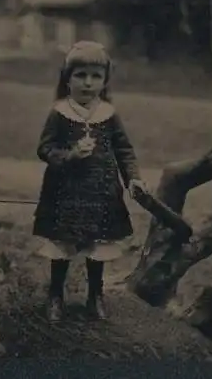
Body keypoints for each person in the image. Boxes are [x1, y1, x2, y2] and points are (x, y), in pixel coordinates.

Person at [33, 41, 147, 322]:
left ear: (105, 81)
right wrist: (71, 155)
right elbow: (45, 149)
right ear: (67, 79)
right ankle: (55, 296)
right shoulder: (59, 112)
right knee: (62, 245)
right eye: (80, 75)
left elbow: (124, 150)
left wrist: (134, 178)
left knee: (99, 244)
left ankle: (95, 296)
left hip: (102, 193)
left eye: (96, 76)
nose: (87, 83)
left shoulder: (108, 114)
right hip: (65, 193)